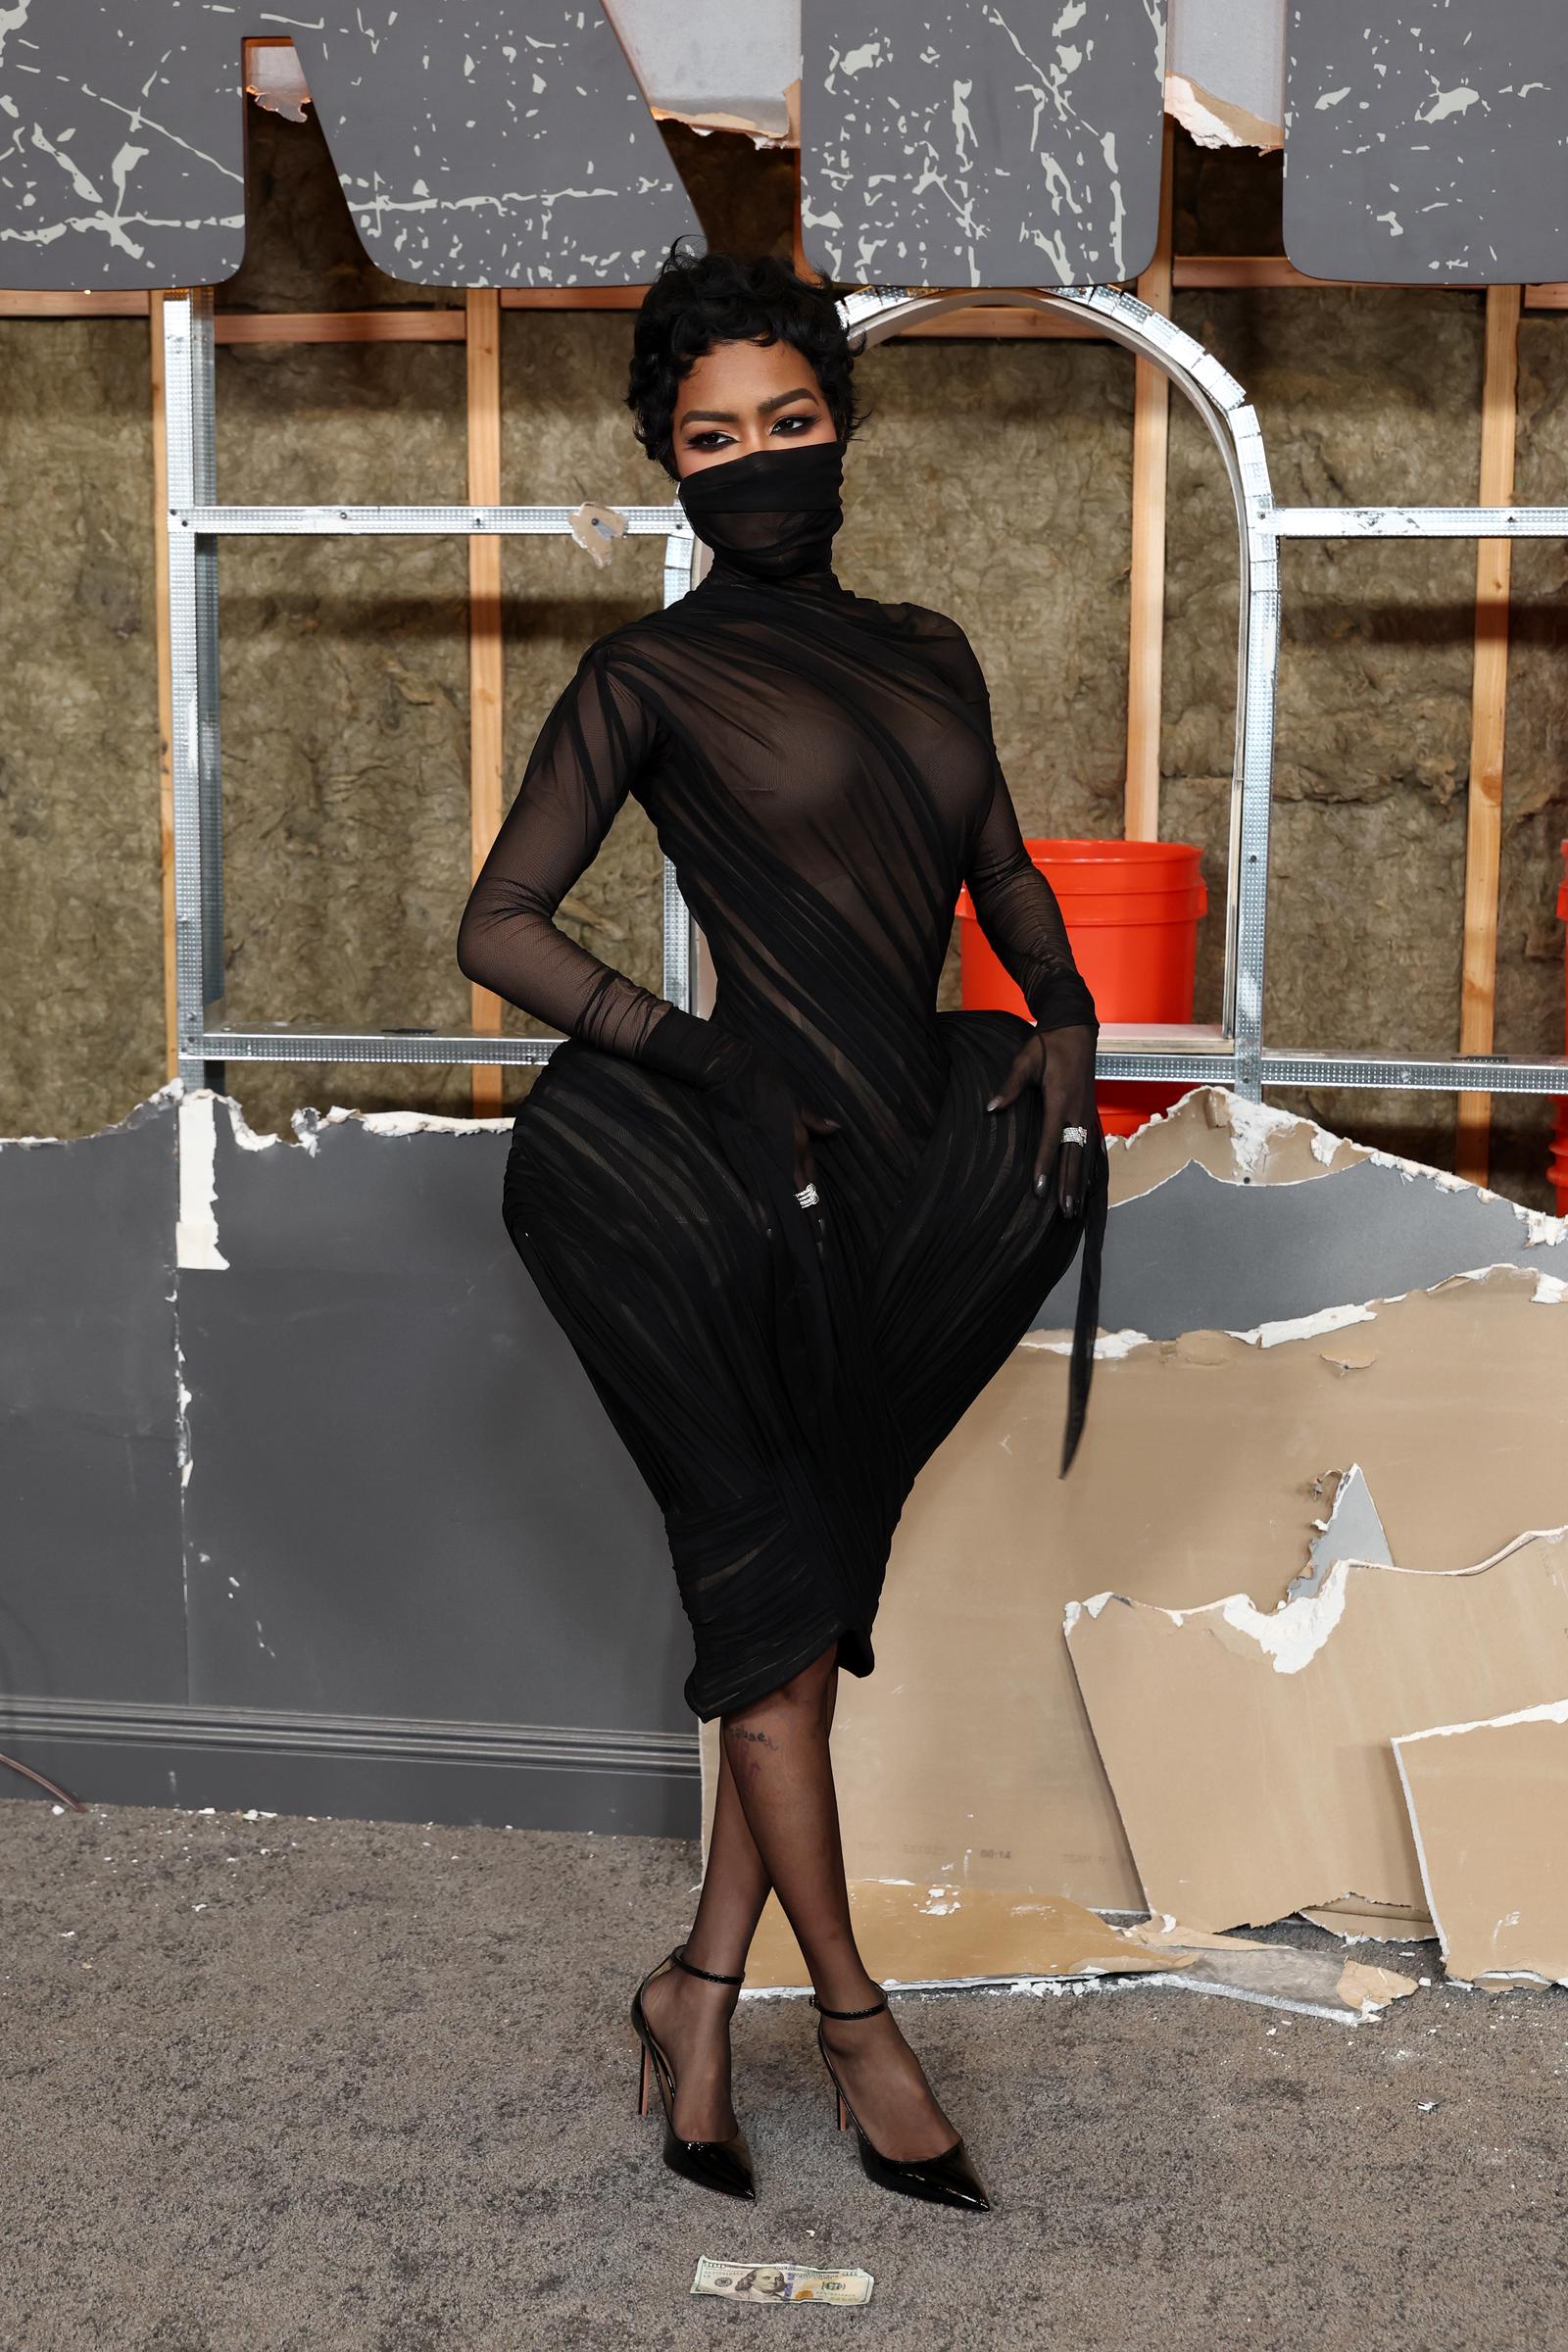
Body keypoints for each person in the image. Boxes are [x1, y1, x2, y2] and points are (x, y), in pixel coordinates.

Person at [456, 240, 1109, 2214]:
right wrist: (704, 1059)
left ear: (838, 429)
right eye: (710, 437)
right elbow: (495, 927)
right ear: (667, 463)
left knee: (794, 1623)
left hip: (896, 1179)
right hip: (700, 1187)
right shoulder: (643, 677)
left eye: (787, 423)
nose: (755, 464)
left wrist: (1067, 1008)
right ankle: (850, 2020)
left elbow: (991, 860)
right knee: (768, 1616)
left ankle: (690, 1994)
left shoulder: (929, 653)